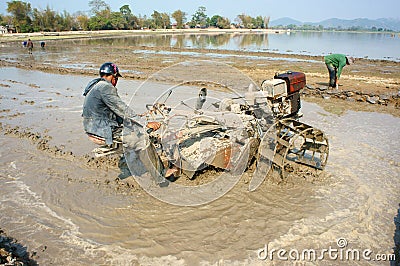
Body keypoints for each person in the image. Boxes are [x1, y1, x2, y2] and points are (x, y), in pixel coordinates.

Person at [82, 62, 173, 185]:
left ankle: (140, 159)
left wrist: (137, 118)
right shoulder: (106, 87)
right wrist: (145, 123)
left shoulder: (95, 86)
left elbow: (112, 111)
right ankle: (161, 177)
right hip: (102, 130)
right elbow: (122, 109)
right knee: (143, 140)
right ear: (113, 76)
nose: (117, 81)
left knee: (133, 127)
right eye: (117, 78)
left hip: (93, 127)